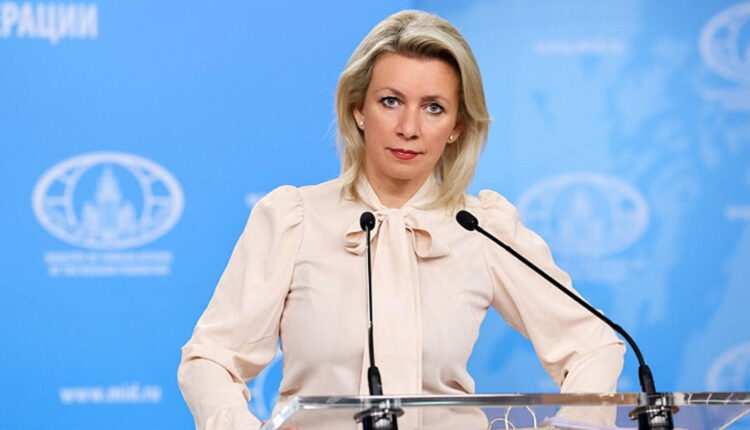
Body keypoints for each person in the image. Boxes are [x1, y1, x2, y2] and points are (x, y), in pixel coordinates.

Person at [178, 9, 625, 430]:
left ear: (457, 126)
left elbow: (593, 343)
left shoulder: (482, 227)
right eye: (390, 101)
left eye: (434, 108)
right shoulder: (292, 219)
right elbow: (211, 358)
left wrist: (577, 424)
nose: (409, 128)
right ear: (358, 109)